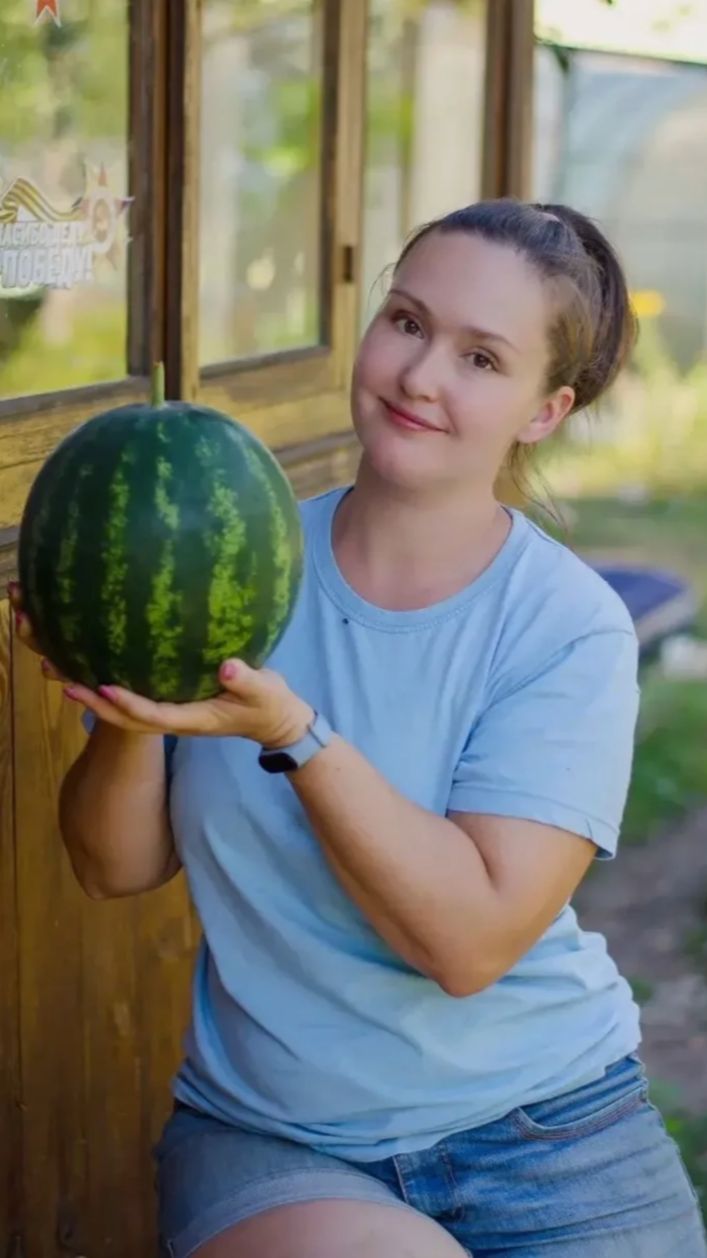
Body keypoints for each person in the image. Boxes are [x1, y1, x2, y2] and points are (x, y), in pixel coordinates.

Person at [10, 199, 707, 1258]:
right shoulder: (229, 563)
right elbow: (115, 867)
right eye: (406, 321)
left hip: (550, 1125)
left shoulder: (564, 625)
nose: (420, 374)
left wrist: (295, 733)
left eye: (480, 358)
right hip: (278, 1142)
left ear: (543, 409)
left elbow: (466, 946)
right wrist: (128, 703)